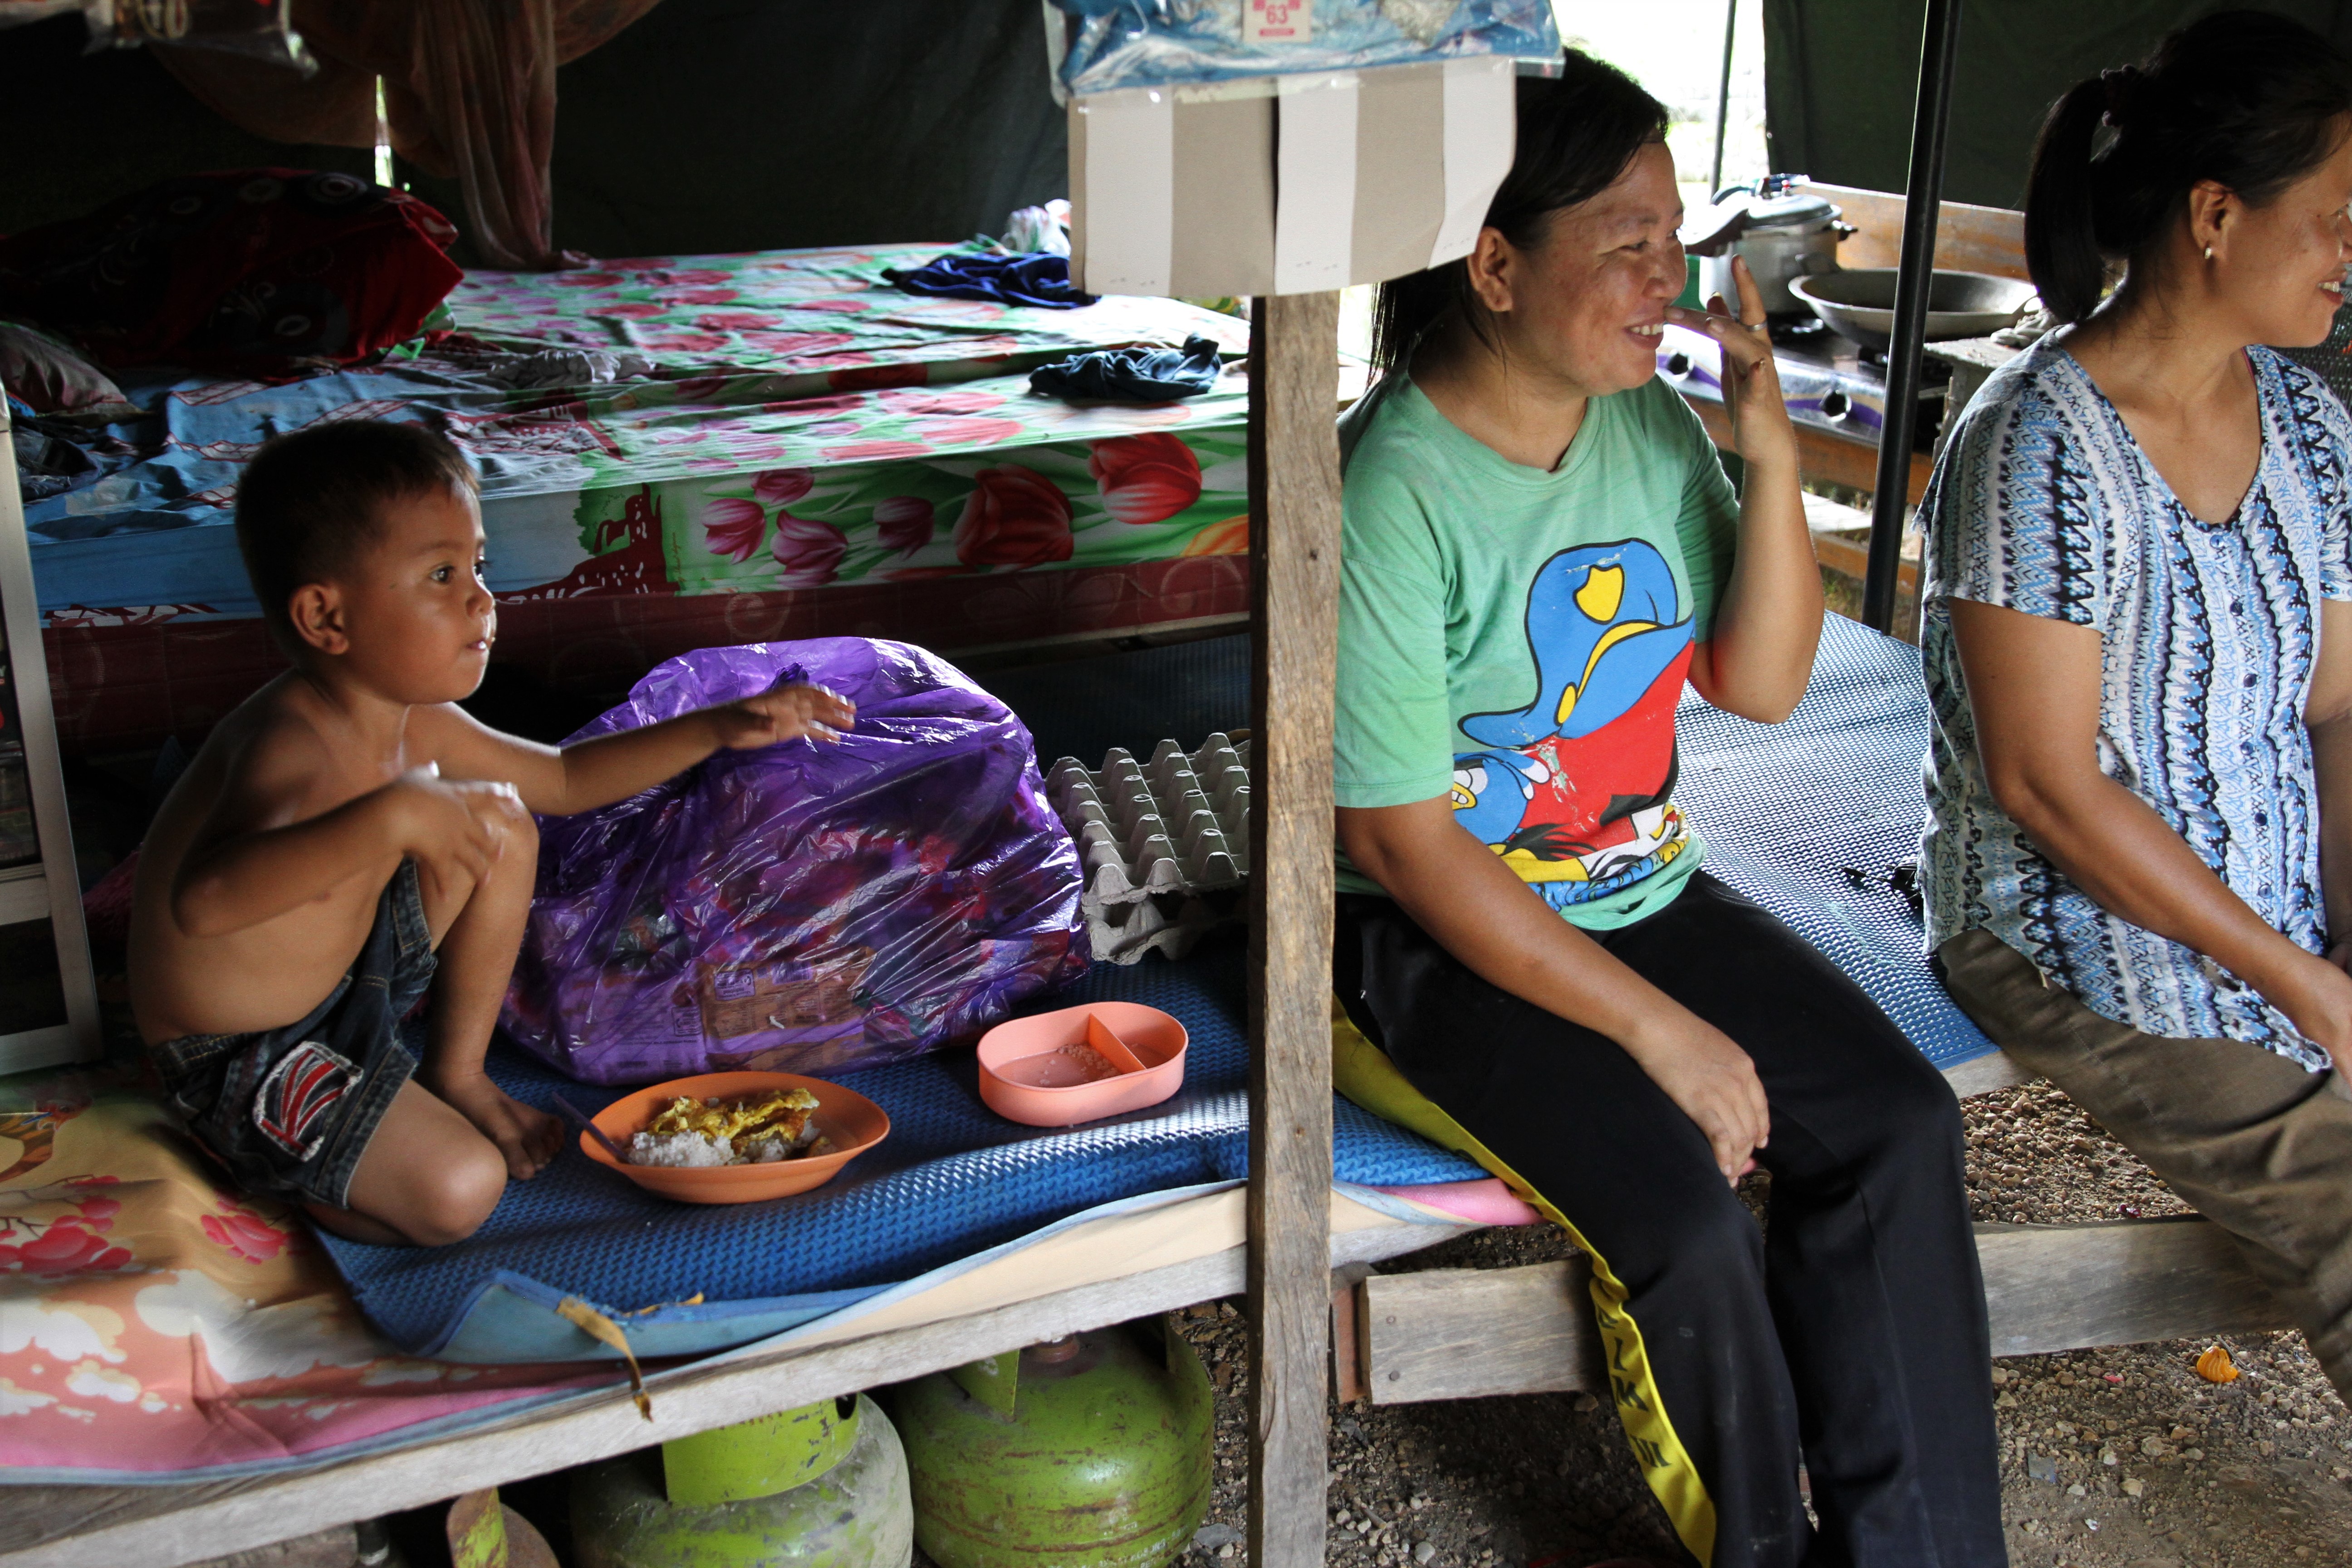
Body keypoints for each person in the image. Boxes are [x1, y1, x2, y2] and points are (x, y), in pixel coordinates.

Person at [1328, 49, 2004, 1568]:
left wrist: (1768, 444)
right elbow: (1398, 839)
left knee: (1893, 1127)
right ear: (1493, 263)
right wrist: (1658, 1028)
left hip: (1633, 885)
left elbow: (1760, 683)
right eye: (1624, 241)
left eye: (1673, 238)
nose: (1665, 275)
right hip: (1422, 934)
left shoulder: (1642, 426)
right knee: (1685, 1224)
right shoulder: (1390, 491)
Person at [1922, 8, 2352, 1407]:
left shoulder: (2313, 430)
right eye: (2337, 220)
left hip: (2276, 918)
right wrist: (2306, 988)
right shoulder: (2038, 445)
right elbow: (2050, 792)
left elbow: (2338, 716)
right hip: (2076, 936)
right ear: (2217, 215)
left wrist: (2345, 946)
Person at [127, 421, 856, 1247]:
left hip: (347, 993)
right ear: (326, 617)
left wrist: (719, 727)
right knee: (460, 1193)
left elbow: (566, 780)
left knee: (500, 814)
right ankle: (260, 1156)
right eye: (441, 575)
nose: (481, 600)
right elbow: (204, 903)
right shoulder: (293, 747)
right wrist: (393, 814)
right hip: (248, 1050)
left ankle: (455, 1071)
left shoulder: (416, 718)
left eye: (478, 567)